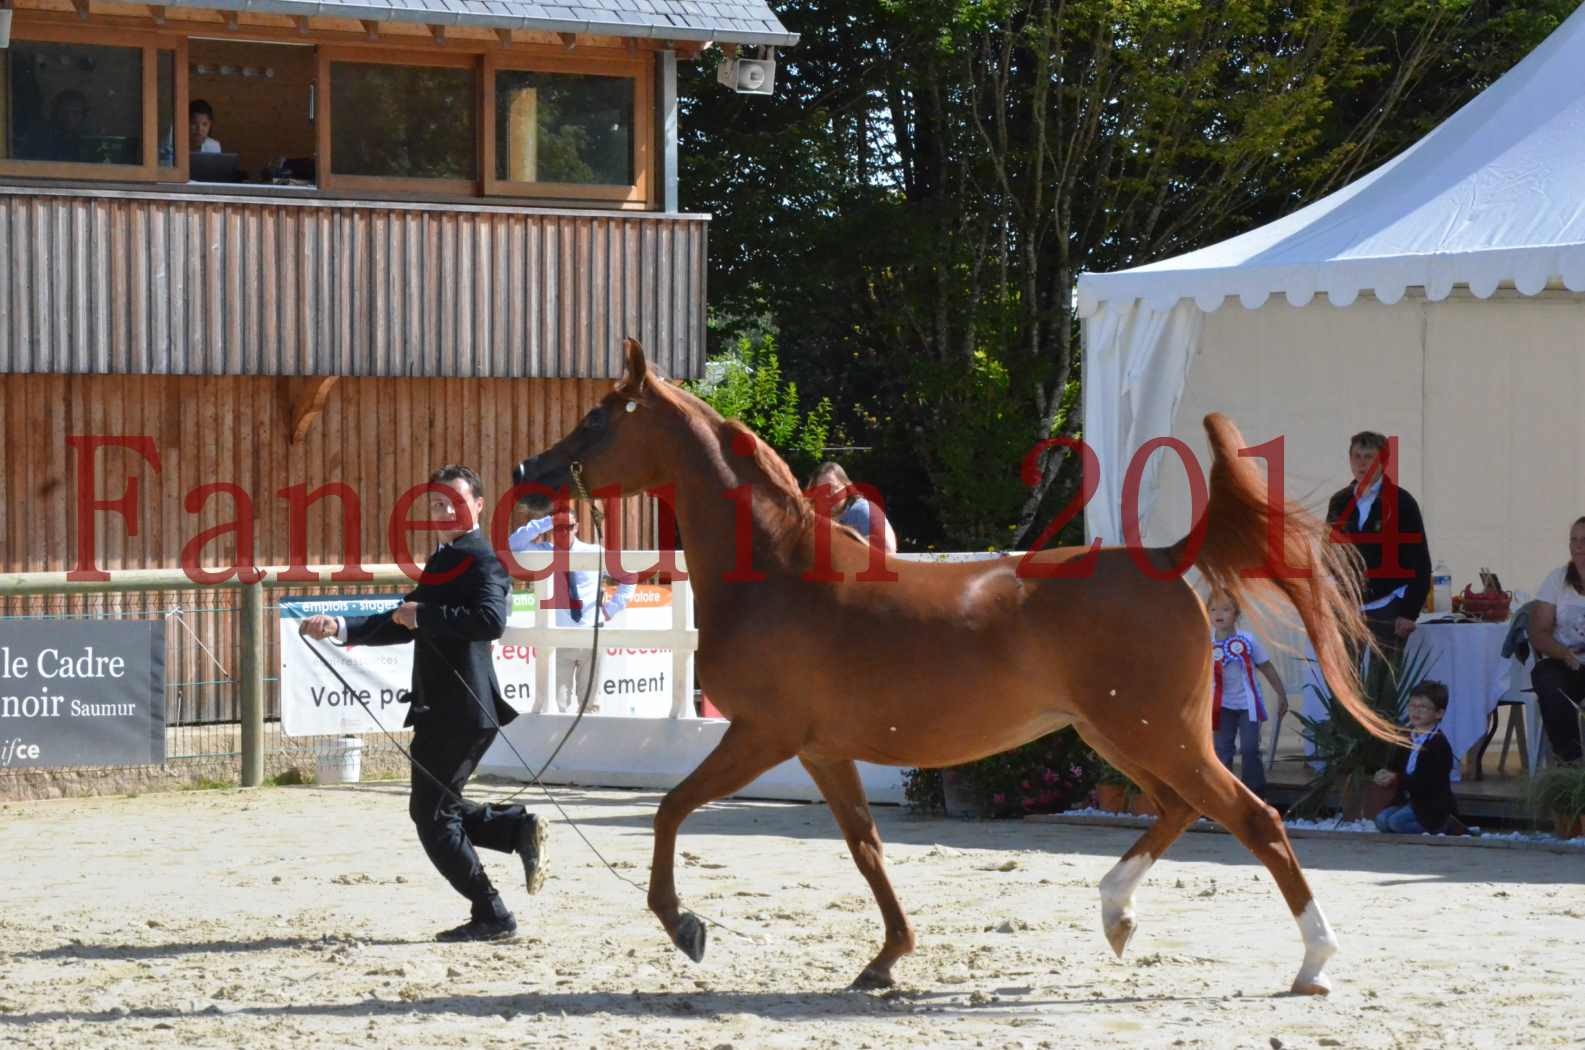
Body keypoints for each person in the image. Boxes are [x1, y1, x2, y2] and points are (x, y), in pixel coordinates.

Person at [299, 465, 549, 943]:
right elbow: (402, 620)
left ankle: (492, 913)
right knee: (437, 810)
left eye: (453, 502)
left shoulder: (483, 562)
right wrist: (342, 628)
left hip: (463, 709)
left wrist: (427, 614)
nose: (443, 511)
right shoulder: (444, 560)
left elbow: (491, 621)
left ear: (477, 504)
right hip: (442, 708)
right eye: (435, 504)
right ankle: (513, 831)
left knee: (433, 818)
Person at [508, 493, 635, 713]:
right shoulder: (544, 553)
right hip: (558, 639)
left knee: (590, 707)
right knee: (558, 706)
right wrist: (547, 521)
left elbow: (629, 578)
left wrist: (609, 610)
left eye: (568, 527)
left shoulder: (595, 552)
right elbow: (514, 544)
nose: (563, 532)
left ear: (577, 527)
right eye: (558, 528)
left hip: (591, 636)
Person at [1208, 589, 1288, 796]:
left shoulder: (1248, 639)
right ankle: (1224, 796)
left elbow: (1266, 667)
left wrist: (1281, 694)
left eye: (1226, 609)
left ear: (1236, 613)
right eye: (1214, 609)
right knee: (1222, 751)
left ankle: (1255, 794)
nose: (1219, 614)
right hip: (1220, 706)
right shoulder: (1205, 642)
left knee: (1250, 749)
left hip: (1248, 705)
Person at [1527, 516, 1585, 765]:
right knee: (1545, 676)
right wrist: (1565, 655)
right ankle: (1571, 760)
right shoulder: (1557, 579)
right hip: (1566, 661)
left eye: (1584, 540)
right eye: (1573, 540)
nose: (1578, 546)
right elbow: (1538, 632)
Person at [1373, 681, 1461, 834]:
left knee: (1396, 823)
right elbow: (1394, 766)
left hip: (1430, 805)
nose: (1416, 712)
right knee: (1381, 820)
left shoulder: (1438, 743)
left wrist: (1397, 778)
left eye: (1423, 707)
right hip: (1408, 801)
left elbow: (1427, 781)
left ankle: (1445, 825)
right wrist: (1384, 775)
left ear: (1439, 713)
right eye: (1412, 706)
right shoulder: (1407, 737)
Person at [806, 461, 897, 553]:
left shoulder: (863, 509)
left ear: (847, 487)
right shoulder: (814, 517)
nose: (827, 495)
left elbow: (887, 547)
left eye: (833, 488)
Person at [22, 90, 89, 163]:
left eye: (75, 113)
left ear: (83, 116)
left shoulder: (79, 143)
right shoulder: (41, 137)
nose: (69, 118)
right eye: (64, 112)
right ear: (55, 112)